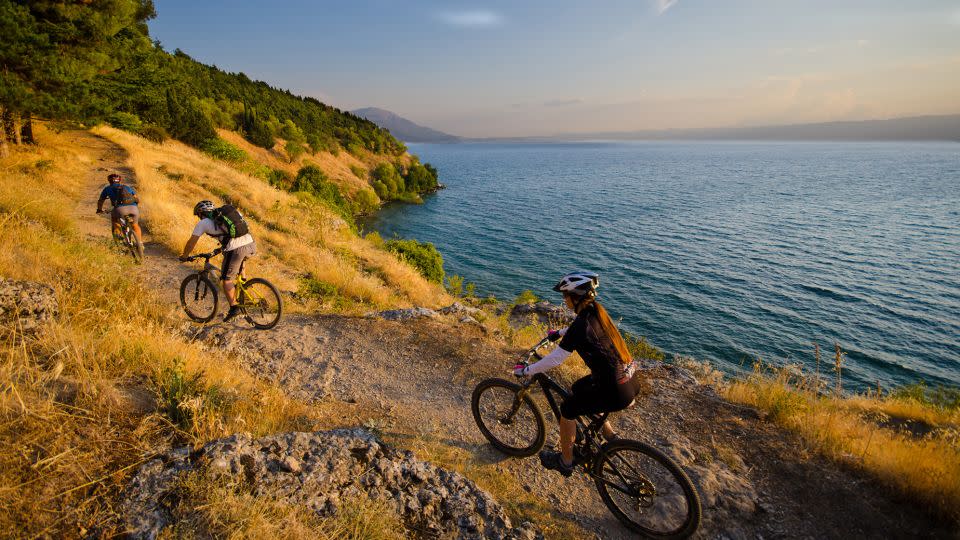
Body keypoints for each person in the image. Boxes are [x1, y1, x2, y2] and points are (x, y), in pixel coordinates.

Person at [514, 270, 639, 476]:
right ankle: (610, 435)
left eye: (565, 296)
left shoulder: (582, 324)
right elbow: (582, 329)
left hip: (616, 391)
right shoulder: (596, 311)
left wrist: (527, 370)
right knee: (578, 388)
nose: (564, 300)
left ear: (576, 296)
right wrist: (559, 333)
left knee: (568, 409)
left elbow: (556, 359)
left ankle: (566, 461)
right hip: (630, 382)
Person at [179, 200, 256, 322]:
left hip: (236, 248)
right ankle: (245, 288)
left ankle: (234, 308)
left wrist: (185, 256)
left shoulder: (203, 223)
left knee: (226, 280)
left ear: (200, 213)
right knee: (239, 262)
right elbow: (236, 231)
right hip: (251, 244)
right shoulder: (227, 215)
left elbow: (192, 241)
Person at [96, 173, 143, 247]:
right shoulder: (127, 187)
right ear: (119, 180)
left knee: (115, 222)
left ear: (109, 181)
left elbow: (101, 201)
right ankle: (140, 243)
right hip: (133, 209)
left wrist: (99, 209)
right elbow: (136, 198)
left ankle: (120, 244)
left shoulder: (107, 188)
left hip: (119, 210)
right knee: (135, 225)